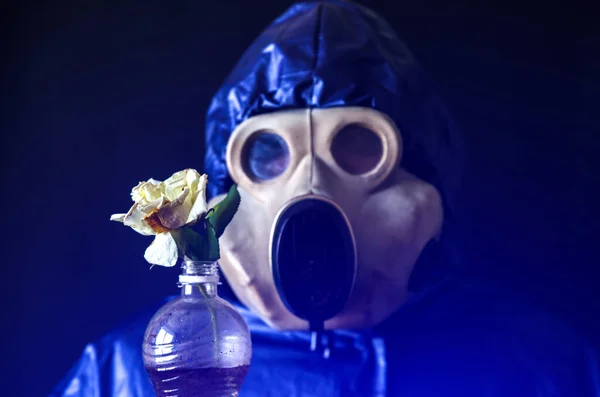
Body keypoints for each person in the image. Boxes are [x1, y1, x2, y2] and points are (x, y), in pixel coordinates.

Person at [51, 1, 600, 396]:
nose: (310, 188)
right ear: (223, 188)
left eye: (361, 149)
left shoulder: (540, 366)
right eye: (266, 158)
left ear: (424, 174)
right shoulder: (134, 374)